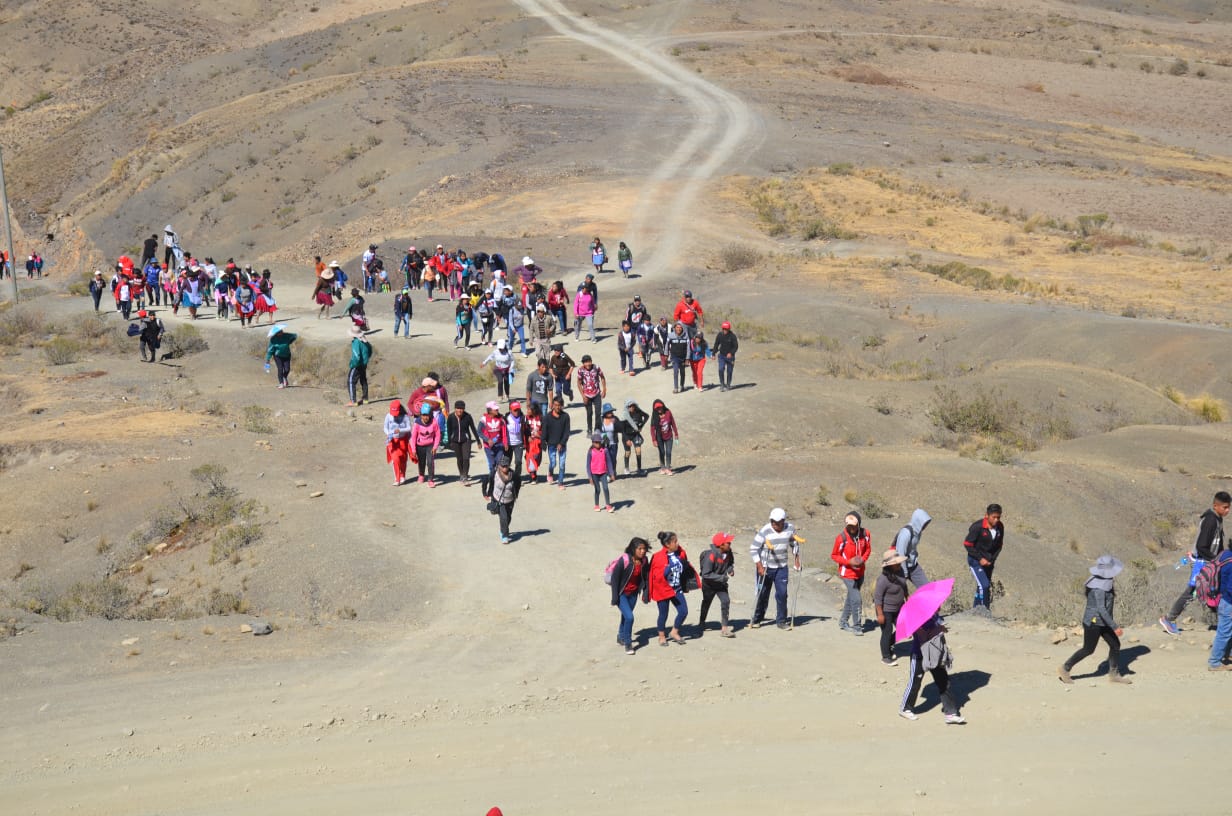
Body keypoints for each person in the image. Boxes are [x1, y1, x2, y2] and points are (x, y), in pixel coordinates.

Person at [1160, 491, 1230, 635]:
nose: (1227, 510)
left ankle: (1224, 625)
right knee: (1194, 591)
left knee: (1214, 591)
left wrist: (1222, 556)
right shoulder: (1210, 520)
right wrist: (1216, 561)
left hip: (1209, 562)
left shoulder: (1217, 518)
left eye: (1229, 507)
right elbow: (1201, 546)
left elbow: (1218, 544)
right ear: (1215, 505)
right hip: (1203, 562)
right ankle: (1169, 618)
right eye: (1225, 507)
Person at [1058, 555, 1133, 684]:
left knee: (1115, 645)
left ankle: (1114, 674)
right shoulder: (1098, 589)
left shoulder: (1102, 581)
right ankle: (1065, 668)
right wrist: (1114, 627)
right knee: (1088, 649)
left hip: (1102, 622)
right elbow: (1101, 609)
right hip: (1094, 623)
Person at [899, 613, 965, 724]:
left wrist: (940, 627)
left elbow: (937, 628)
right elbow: (923, 636)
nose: (939, 607)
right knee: (915, 683)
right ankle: (905, 708)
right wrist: (938, 629)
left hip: (934, 655)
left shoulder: (934, 616)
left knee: (943, 682)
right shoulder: (916, 618)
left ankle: (951, 713)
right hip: (919, 655)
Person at [750, 508, 800, 630]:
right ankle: (757, 619)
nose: (775, 525)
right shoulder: (765, 530)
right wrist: (759, 566)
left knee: (782, 594)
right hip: (766, 566)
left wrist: (796, 560)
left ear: (783, 521)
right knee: (762, 594)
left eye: (778, 522)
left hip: (781, 567)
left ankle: (781, 621)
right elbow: (753, 548)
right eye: (773, 522)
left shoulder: (790, 528)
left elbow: (794, 544)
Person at [649, 531, 695, 646]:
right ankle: (661, 636)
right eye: (675, 542)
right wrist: (668, 568)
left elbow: (685, 568)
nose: (677, 543)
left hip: (676, 589)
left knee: (683, 611)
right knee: (663, 614)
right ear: (667, 544)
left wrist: (686, 585)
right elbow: (655, 577)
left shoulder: (680, 553)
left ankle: (674, 632)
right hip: (663, 590)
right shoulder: (658, 557)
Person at [833, 511, 872, 635]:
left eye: (854, 525)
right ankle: (857, 627)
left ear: (859, 524)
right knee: (856, 599)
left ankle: (843, 621)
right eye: (849, 525)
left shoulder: (865, 534)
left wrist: (862, 560)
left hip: (860, 572)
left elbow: (868, 549)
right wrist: (848, 562)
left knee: (851, 597)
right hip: (847, 572)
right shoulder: (841, 538)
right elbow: (834, 555)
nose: (851, 528)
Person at [610, 537, 650, 655]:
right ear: (633, 549)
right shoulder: (625, 560)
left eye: (644, 549)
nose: (642, 551)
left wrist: (645, 592)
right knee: (630, 617)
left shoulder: (644, 561)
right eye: (640, 549)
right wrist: (614, 597)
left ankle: (620, 636)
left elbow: (645, 577)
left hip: (633, 594)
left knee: (625, 616)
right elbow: (614, 579)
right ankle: (628, 643)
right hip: (621, 594)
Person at [964, 503, 1005, 612]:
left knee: (981, 586)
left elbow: (999, 546)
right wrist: (980, 558)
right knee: (984, 585)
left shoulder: (1000, 527)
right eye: (994, 517)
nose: (996, 520)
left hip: (989, 562)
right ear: (987, 515)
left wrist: (992, 560)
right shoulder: (977, 527)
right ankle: (984, 612)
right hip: (975, 561)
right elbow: (967, 544)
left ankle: (975, 610)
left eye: (998, 517)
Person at [874, 550, 910, 665]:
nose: (899, 564)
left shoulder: (900, 572)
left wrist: (907, 598)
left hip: (899, 607)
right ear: (889, 566)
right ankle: (886, 656)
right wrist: (880, 614)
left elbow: (904, 587)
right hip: (885, 610)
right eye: (897, 563)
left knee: (903, 628)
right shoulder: (882, 580)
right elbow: (878, 598)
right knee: (887, 631)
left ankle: (888, 645)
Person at [698, 532, 736, 638]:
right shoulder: (710, 555)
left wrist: (730, 570)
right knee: (707, 602)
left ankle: (724, 628)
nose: (730, 544)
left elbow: (730, 563)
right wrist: (721, 577)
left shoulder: (728, 552)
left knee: (726, 601)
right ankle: (702, 622)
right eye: (728, 542)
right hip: (709, 585)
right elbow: (706, 574)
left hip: (721, 584)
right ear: (721, 545)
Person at [482, 455, 520, 544]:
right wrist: (485, 493)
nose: (504, 467)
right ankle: (505, 535)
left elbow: (518, 483)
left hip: (510, 500)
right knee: (503, 518)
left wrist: (516, 494)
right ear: (499, 465)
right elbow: (485, 481)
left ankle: (503, 529)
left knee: (508, 518)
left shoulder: (513, 474)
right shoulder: (494, 473)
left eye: (506, 466)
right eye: (502, 465)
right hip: (498, 500)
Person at [893, 509, 932, 588]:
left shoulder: (918, 531)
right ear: (918, 521)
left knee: (926, 588)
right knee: (897, 594)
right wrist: (905, 572)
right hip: (900, 567)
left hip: (913, 565)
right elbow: (900, 553)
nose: (925, 526)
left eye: (926, 523)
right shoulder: (906, 533)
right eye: (924, 523)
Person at [1207, 550, 1232, 671]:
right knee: (1224, 632)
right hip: (1229, 602)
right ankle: (1214, 662)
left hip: (1222, 599)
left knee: (1227, 630)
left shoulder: (1226, 554)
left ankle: (1229, 655)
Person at [446, 400, 480, 486]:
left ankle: (465, 476)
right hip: (455, 441)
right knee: (459, 459)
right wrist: (449, 442)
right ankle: (461, 474)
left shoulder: (468, 416)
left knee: (466, 458)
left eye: (462, 409)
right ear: (455, 409)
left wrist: (478, 441)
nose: (460, 411)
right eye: (458, 408)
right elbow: (449, 430)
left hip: (466, 440)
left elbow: (473, 428)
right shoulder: (450, 417)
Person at [542, 396, 571, 488]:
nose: (557, 407)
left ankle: (560, 482)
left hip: (562, 445)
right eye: (555, 405)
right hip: (551, 444)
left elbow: (567, 432)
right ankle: (550, 472)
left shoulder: (565, 417)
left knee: (562, 464)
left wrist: (562, 443)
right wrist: (543, 442)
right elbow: (544, 431)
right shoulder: (547, 417)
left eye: (559, 405)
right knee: (553, 463)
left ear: (562, 406)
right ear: (553, 405)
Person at [410, 404, 441, 486]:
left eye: (427, 415)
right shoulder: (417, 423)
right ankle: (421, 475)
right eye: (424, 415)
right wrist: (413, 449)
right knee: (421, 462)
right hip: (419, 445)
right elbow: (413, 437)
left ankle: (430, 479)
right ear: (421, 415)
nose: (426, 417)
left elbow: (438, 435)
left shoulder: (434, 422)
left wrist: (435, 447)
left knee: (430, 462)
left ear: (430, 414)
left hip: (430, 445)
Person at [574, 355, 606, 434]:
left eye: (589, 361)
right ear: (583, 363)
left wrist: (604, 389)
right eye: (585, 362)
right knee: (589, 413)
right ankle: (589, 428)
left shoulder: (596, 368)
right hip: (587, 395)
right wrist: (583, 396)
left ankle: (597, 428)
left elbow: (602, 377)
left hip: (597, 393)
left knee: (598, 413)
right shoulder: (581, 370)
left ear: (591, 361)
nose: (587, 364)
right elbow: (578, 383)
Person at [384, 400, 413, 486]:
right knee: (395, 460)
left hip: (403, 440)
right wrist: (388, 433)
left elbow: (409, 428)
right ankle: (397, 479)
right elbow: (385, 427)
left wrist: (400, 430)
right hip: (392, 441)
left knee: (403, 460)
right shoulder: (388, 416)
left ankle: (402, 475)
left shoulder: (405, 416)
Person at [618, 398, 649, 475]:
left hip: (635, 435)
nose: (631, 408)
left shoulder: (638, 412)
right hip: (626, 435)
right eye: (630, 406)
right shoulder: (624, 415)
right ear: (627, 407)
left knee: (638, 451)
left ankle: (639, 469)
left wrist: (641, 426)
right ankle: (626, 468)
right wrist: (627, 439)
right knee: (628, 452)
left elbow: (647, 416)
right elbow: (622, 430)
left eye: (633, 406)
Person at [649, 398, 679, 475]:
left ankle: (668, 468)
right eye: (657, 408)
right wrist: (654, 440)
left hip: (669, 436)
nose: (659, 409)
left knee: (668, 452)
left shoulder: (668, 412)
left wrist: (676, 434)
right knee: (662, 452)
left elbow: (673, 423)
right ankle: (663, 467)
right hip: (659, 438)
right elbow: (652, 429)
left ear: (663, 406)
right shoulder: (655, 416)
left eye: (660, 407)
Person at [478, 401, 508, 475]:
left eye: (497, 409)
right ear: (490, 410)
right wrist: (487, 440)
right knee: (492, 465)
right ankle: (492, 479)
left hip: (499, 445)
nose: (497, 410)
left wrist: (505, 443)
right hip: (488, 447)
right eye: (495, 409)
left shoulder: (501, 419)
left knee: (500, 463)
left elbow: (504, 432)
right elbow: (479, 432)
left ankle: (500, 479)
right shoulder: (483, 420)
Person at [587, 432, 614, 513]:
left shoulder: (605, 450)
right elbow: (588, 465)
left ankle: (608, 505)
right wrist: (590, 477)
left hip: (603, 473)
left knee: (606, 488)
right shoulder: (590, 452)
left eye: (599, 442)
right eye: (596, 442)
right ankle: (596, 505)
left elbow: (609, 462)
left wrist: (611, 473)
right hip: (594, 474)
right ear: (592, 443)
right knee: (598, 490)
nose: (598, 443)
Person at [346, 325, 371, 407]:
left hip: (357, 365)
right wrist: (366, 360)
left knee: (350, 381)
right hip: (364, 364)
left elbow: (357, 356)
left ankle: (353, 401)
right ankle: (365, 399)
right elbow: (370, 350)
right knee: (363, 380)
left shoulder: (356, 342)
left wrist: (352, 364)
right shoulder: (364, 340)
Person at [713, 321, 739, 391]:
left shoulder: (732, 336)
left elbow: (736, 346)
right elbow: (716, 344)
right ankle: (722, 384)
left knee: (729, 371)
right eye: (724, 329)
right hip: (721, 356)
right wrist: (713, 354)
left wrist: (731, 353)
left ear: (729, 329)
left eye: (726, 329)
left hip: (730, 357)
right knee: (721, 369)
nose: (725, 330)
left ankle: (728, 385)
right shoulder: (719, 335)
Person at [666, 322, 690, 393]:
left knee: (682, 372)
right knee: (675, 371)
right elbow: (666, 345)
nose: (678, 329)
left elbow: (688, 348)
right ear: (675, 328)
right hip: (674, 357)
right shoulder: (670, 335)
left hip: (683, 357)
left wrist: (687, 358)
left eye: (680, 328)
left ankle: (682, 386)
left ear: (682, 328)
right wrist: (666, 354)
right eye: (677, 327)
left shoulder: (686, 336)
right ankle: (676, 388)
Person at [505, 401, 527, 476]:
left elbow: (526, 430)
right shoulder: (506, 419)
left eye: (518, 409)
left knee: (518, 461)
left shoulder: (523, 418)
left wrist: (525, 441)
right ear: (510, 410)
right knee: (507, 462)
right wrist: (505, 443)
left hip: (519, 443)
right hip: (509, 444)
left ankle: (517, 477)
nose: (517, 412)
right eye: (515, 410)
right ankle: (507, 475)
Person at [524, 401, 543, 485]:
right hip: (530, 442)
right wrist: (527, 436)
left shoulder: (541, 418)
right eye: (527, 409)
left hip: (538, 442)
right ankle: (533, 477)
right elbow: (524, 429)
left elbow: (545, 430)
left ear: (534, 410)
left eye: (529, 409)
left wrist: (539, 435)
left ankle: (534, 472)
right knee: (530, 458)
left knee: (536, 459)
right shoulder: (526, 418)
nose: (527, 411)